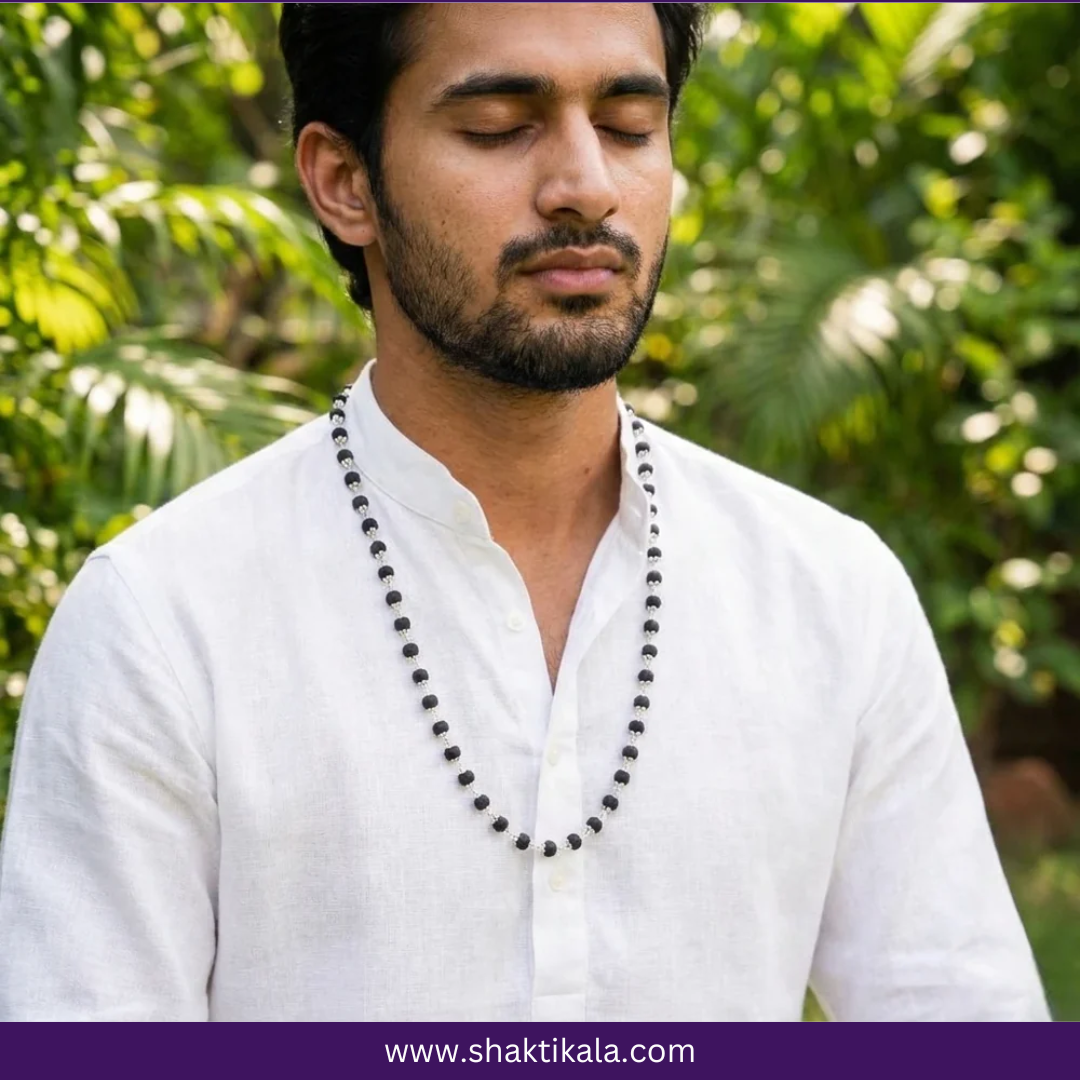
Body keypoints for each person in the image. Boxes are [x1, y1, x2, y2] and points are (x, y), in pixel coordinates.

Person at [0, 2, 1050, 1022]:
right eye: (500, 127)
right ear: (344, 181)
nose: (587, 186)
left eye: (629, 126)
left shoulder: (830, 596)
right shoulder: (165, 625)